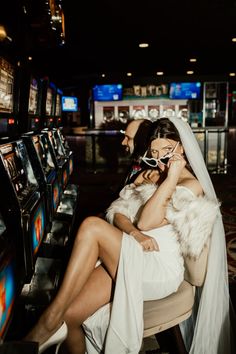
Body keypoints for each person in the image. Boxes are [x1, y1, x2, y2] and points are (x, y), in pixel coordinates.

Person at [24, 117, 233, 354]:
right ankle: (54, 322)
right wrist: (134, 233)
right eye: (154, 153)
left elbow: (148, 220)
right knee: (71, 316)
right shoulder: (148, 174)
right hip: (132, 251)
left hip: (158, 265)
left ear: (181, 148)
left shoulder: (190, 185)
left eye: (166, 151)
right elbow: (118, 212)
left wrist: (172, 177)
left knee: (92, 226)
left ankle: (46, 322)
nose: (160, 161)